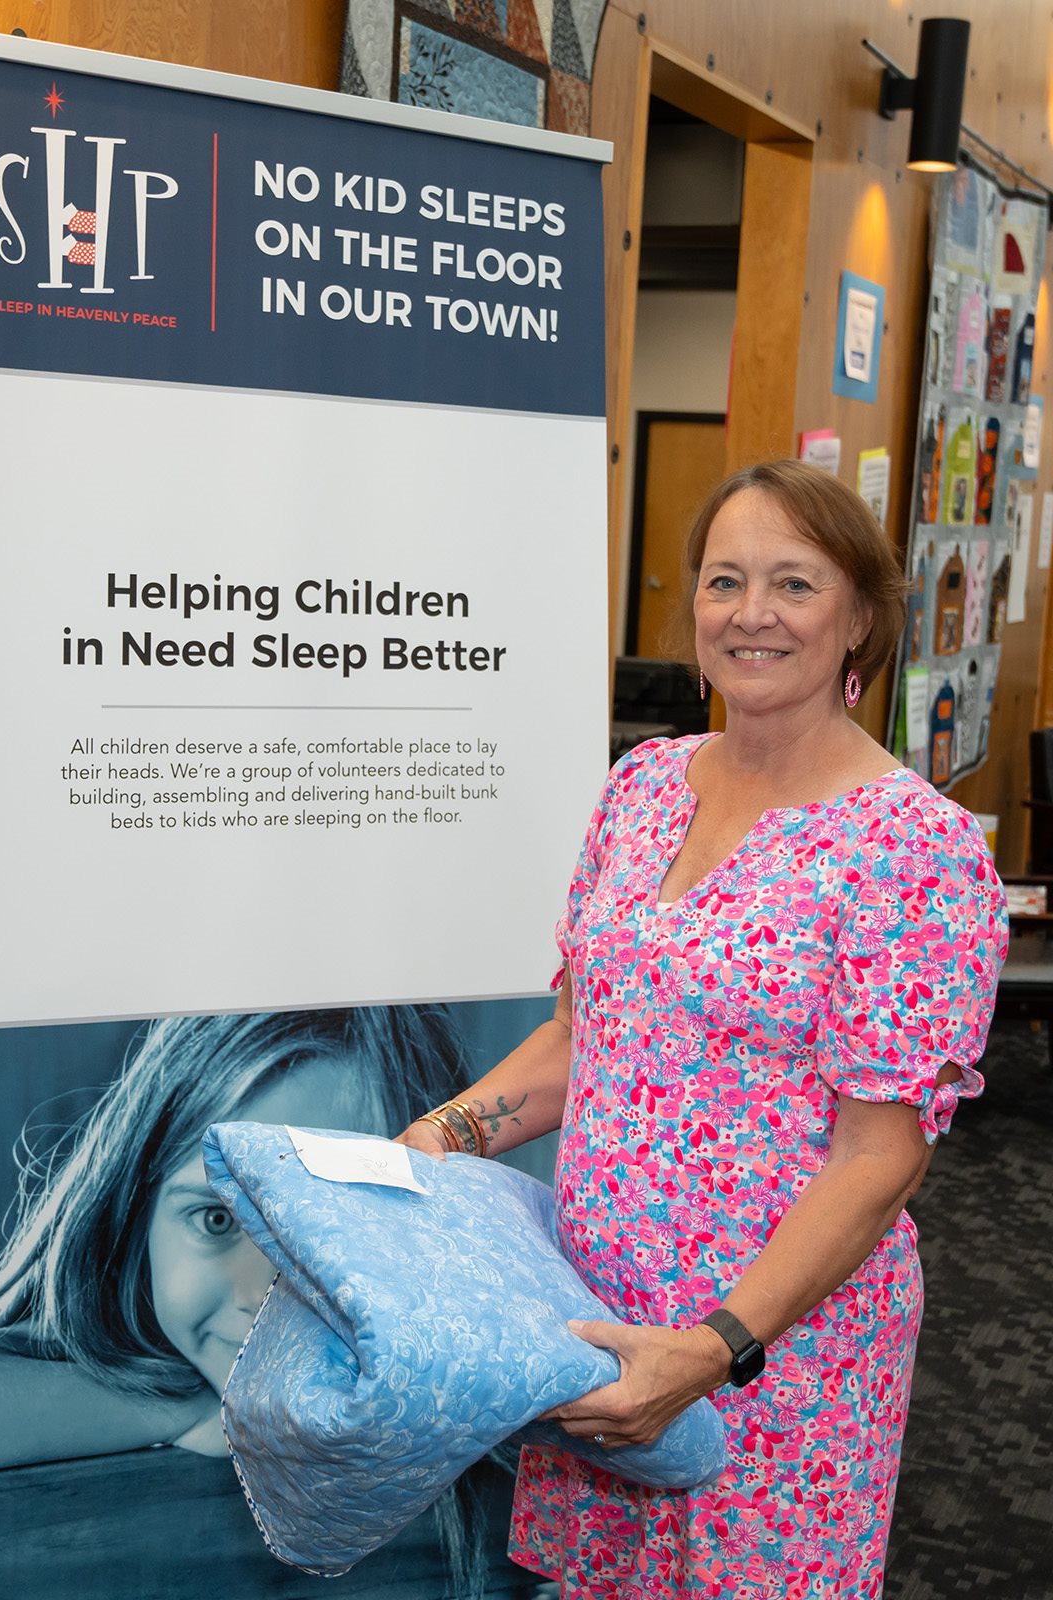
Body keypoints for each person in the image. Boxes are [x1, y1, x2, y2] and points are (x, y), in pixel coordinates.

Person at [399, 459, 1008, 1599]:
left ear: (860, 617)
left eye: (793, 582)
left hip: (772, 1351)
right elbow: (588, 1037)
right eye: (723, 581)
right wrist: (430, 1143)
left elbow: (882, 1152)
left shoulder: (912, 849)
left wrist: (718, 1341)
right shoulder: (642, 784)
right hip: (601, 1323)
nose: (751, 612)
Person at [0, 1006, 470, 1473]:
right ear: (137, 1221)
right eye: (217, 1220)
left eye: (335, 1229)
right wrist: (167, 1407)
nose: (259, 1296)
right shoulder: (104, 1353)